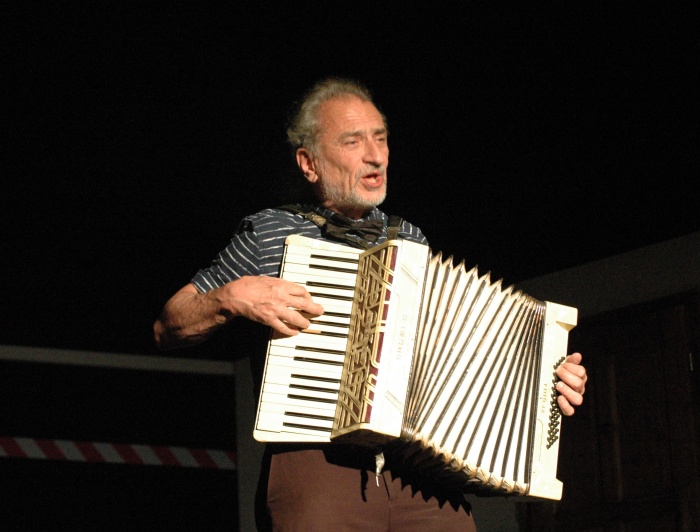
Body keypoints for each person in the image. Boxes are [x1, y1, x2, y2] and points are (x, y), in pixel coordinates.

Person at [154, 78, 588, 531]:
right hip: (319, 466)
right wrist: (229, 297)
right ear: (308, 164)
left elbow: (454, 363)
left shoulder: (411, 240)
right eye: (353, 141)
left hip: (422, 477)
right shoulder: (270, 233)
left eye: (380, 138)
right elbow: (167, 326)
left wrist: (543, 381)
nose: (375, 155)